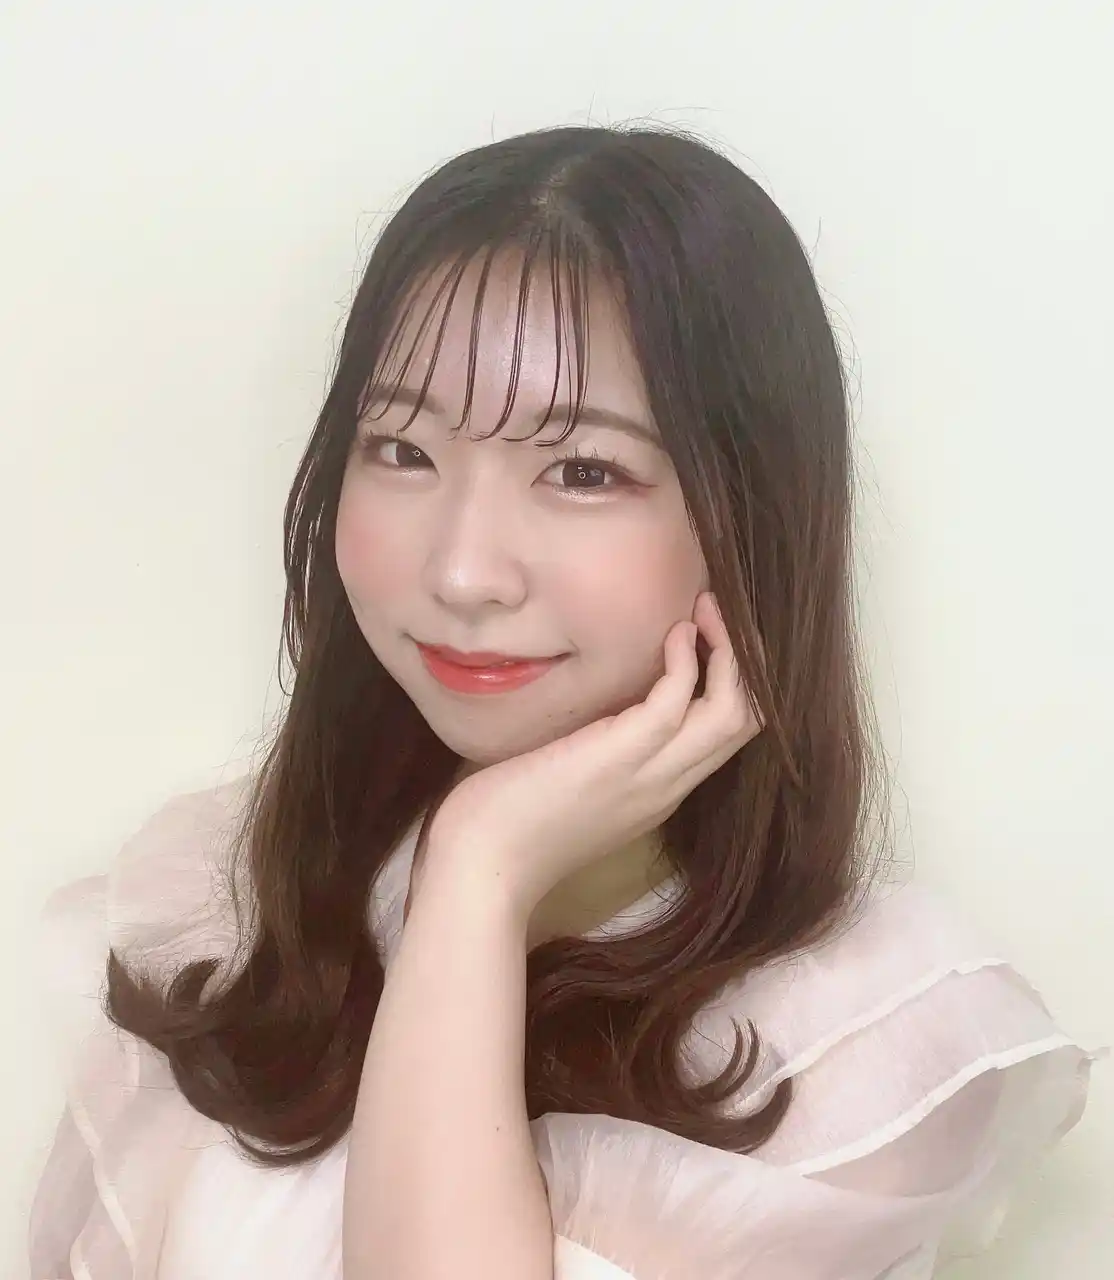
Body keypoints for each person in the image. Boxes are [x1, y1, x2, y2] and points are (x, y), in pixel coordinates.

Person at [28, 124, 1098, 1280]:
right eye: (400, 449)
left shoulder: (870, 1036)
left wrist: (479, 870)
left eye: (583, 471)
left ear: (749, 521)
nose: (461, 571)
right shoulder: (224, 901)